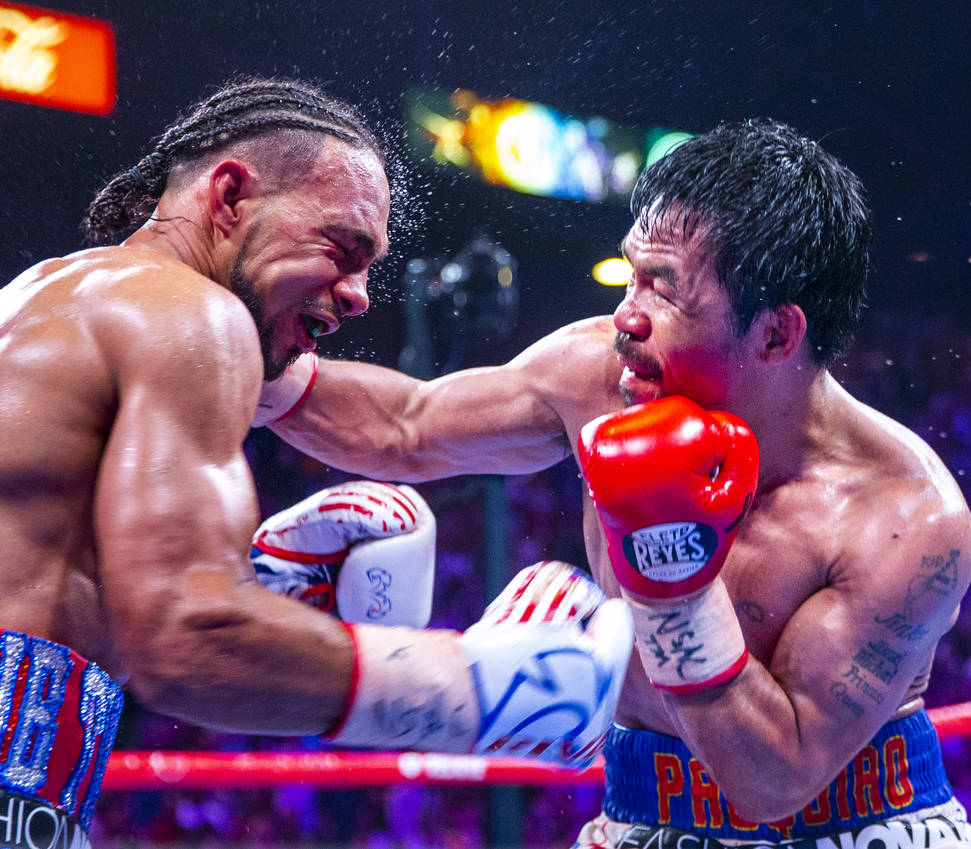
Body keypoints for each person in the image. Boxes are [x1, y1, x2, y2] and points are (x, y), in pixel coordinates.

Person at [258, 119, 971, 847]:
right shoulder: (604, 375)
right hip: (643, 815)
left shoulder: (906, 518)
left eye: (664, 291)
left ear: (775, 335)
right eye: (630, 272)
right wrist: (236, 351)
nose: (625, 315)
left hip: (853, 826)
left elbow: (775, 778)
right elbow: (404, 423)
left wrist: (673, 584)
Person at [0, 76, 632, 848]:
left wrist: (261, 583)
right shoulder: (193, 317)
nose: (363, 295)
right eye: (342, 247)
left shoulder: (54, 300)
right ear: (229, 196)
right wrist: (481, 685)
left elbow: (404, 425)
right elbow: (181, 639)